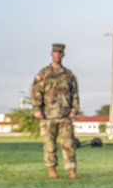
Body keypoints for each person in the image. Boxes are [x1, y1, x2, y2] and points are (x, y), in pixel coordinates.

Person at [31, 42, 80, 179]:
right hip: (48, 115)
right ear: (51, 54)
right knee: (49, 144)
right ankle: (52, 169)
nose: (57, 55)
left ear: (63, 55)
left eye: (60, 53)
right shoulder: (44, 74)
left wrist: (74, 110)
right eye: (55, 52)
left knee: (68, 144)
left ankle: (72, 170)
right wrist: (37, 109)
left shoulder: (69, 75)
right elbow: (36, 92)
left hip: (65, 115)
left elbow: (75, 94)